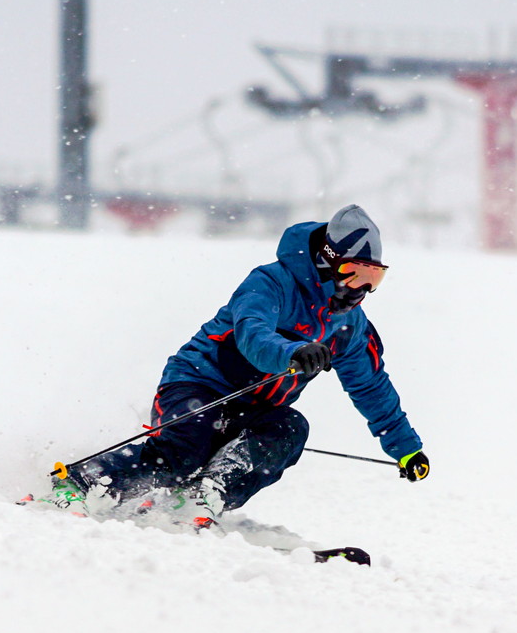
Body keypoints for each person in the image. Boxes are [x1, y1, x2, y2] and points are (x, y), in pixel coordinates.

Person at [55, 204, 429, 526]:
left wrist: (406, 449)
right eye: (355, 273)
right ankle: (80, 483)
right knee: (186, 449)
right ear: (327, 262)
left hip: (255, 409)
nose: (361, 289)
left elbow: (371, 388)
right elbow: (252, 335)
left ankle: (204, 496)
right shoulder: (271, 283)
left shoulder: (349, 327)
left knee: (290, 429)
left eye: (374, 277)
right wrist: (292, 352)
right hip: (197, 385)